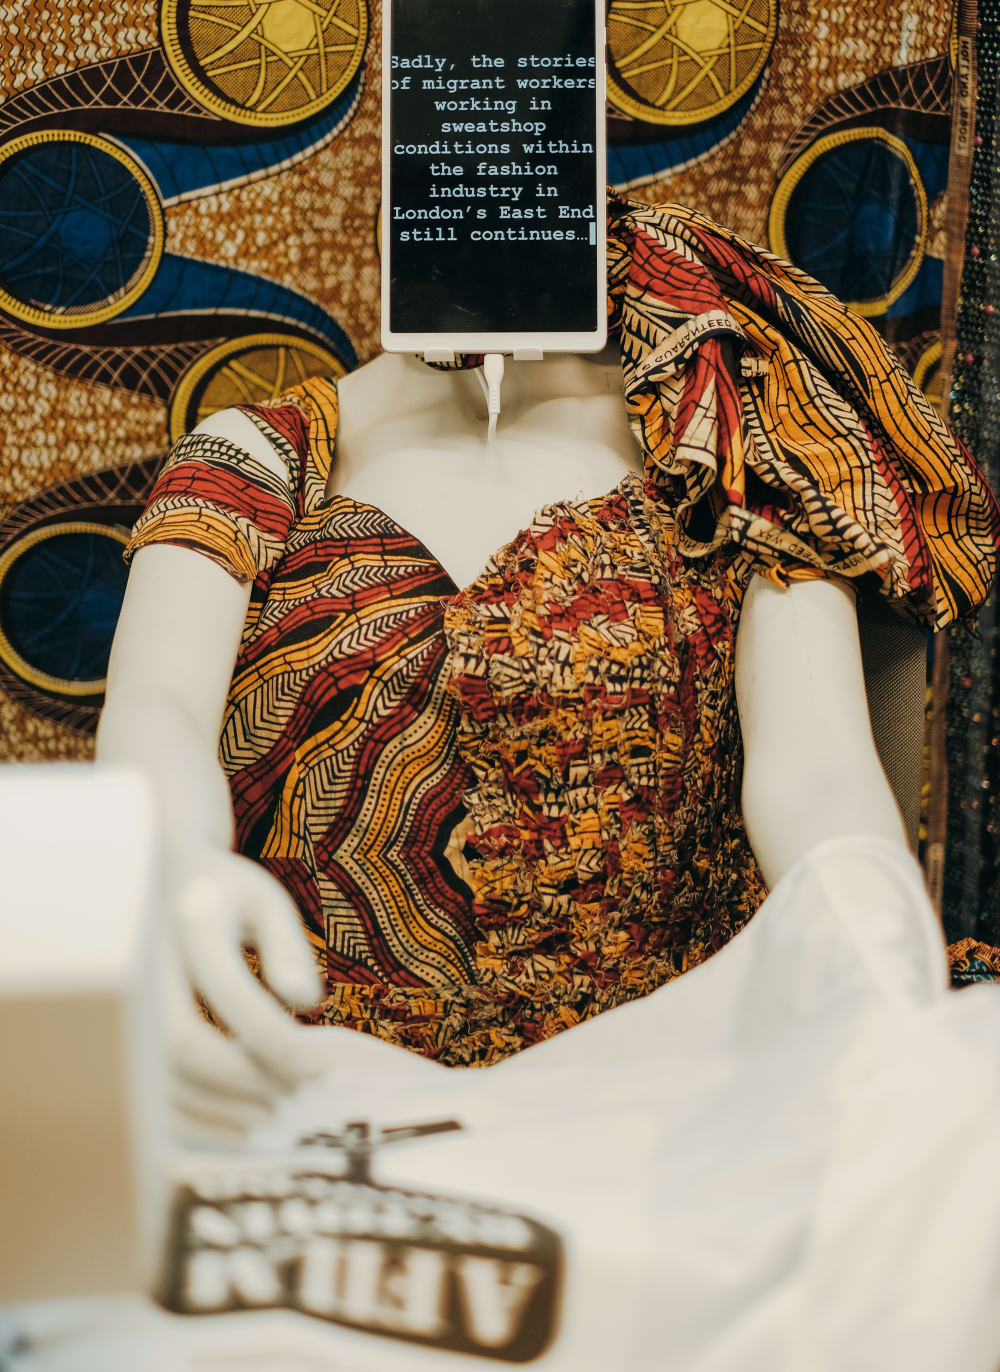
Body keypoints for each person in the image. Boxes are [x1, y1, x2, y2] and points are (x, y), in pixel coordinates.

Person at [95, 188, 1000, 1138]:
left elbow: (816, 768)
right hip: (300, 1085)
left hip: (651, 1098)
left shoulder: (726, 444)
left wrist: (866, 938)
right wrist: (176, 859)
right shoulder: (257, 458)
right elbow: (157, 710)